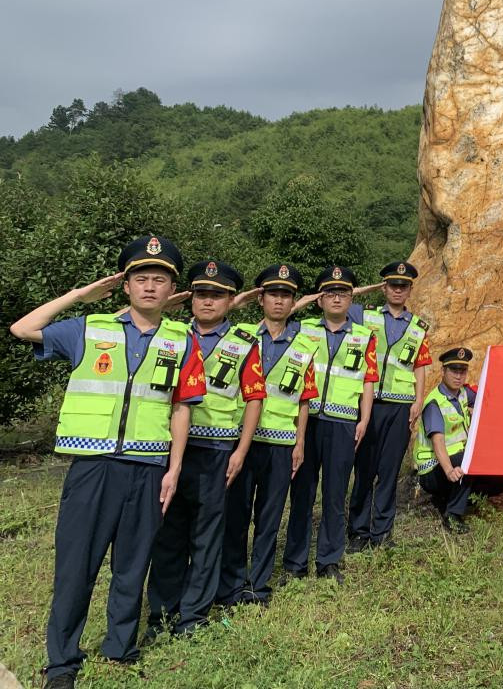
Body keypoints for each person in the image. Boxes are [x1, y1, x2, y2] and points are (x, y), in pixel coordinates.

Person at [9, 236, 206, 689]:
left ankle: (120, 647)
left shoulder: (182, 342)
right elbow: (22, 329)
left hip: (149, 467)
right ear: (125, 286)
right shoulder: (89, 329)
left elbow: (182, 408)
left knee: (133, 564)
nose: (151, 287)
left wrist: (174, 469)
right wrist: (79, 295)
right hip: (93, 467)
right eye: (141, 278)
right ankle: (62, 663)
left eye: (160, 279)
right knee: (77, 565)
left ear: (173, 288)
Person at [145, 261, 264, 638]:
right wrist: (167, 301)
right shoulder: (171, 334)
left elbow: (254, 399)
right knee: (167, 534)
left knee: (206, 534)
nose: (207, 301)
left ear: (231, 300)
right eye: (200, 294)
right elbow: (128, 317)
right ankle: (162, 613)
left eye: (216, 295)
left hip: (216, 450)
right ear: (189, 298)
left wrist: (241, 451)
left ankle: (193, 616)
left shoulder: (244, 344)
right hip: (170, 449)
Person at [217, 264, 322, 607]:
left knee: (269, 516)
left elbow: (305, 399)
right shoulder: (240, 334)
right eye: (273, 294)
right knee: (236, 515)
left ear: (294, 301)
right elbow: (199, 323)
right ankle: (231, 583)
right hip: (241, 442)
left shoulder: (305, 345)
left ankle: (257, 585)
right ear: (260, 298)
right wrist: (234, 302)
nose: (279, 301)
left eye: (286, 295)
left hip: (281, 443)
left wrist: (300, 443)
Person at [283, 266, 377, 583]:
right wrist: (300, 303)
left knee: (335, 496)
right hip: (307, 423)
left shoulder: (364, 336)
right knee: (302, 495)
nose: (337, 298)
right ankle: (295, 563)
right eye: (330, 293)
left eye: (344, 292)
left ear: (352, 299)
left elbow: (368, 381)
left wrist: (364, 420)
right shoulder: (303, 329)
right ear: (320, 300)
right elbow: (269, 325)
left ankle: (328, 561)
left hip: (343, 423)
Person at [346, 261, 433, 551]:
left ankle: (382, 532)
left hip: (401, 407)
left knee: (389, 471)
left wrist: (418, 400)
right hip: (369, 404)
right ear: (385, 287)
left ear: (410, 290)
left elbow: (420, 366)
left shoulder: (419, 327)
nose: (398, 290)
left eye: (403, 286)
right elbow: (343, 296)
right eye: (392, 285)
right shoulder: (364, 316)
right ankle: (358, 530)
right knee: (364, 470)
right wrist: (369, 288)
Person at [415, 347, 503, 534]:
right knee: (467, 462)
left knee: (499, 481)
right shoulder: (435, 403)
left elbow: (485, 401)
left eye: (462, 371)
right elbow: (438, 442)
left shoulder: (464, 393)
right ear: (443, 371)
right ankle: (453, 515)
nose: (458, 376)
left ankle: (448, 500)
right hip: (433, 468)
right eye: (453, 371)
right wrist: (449, 470)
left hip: (459, 459)